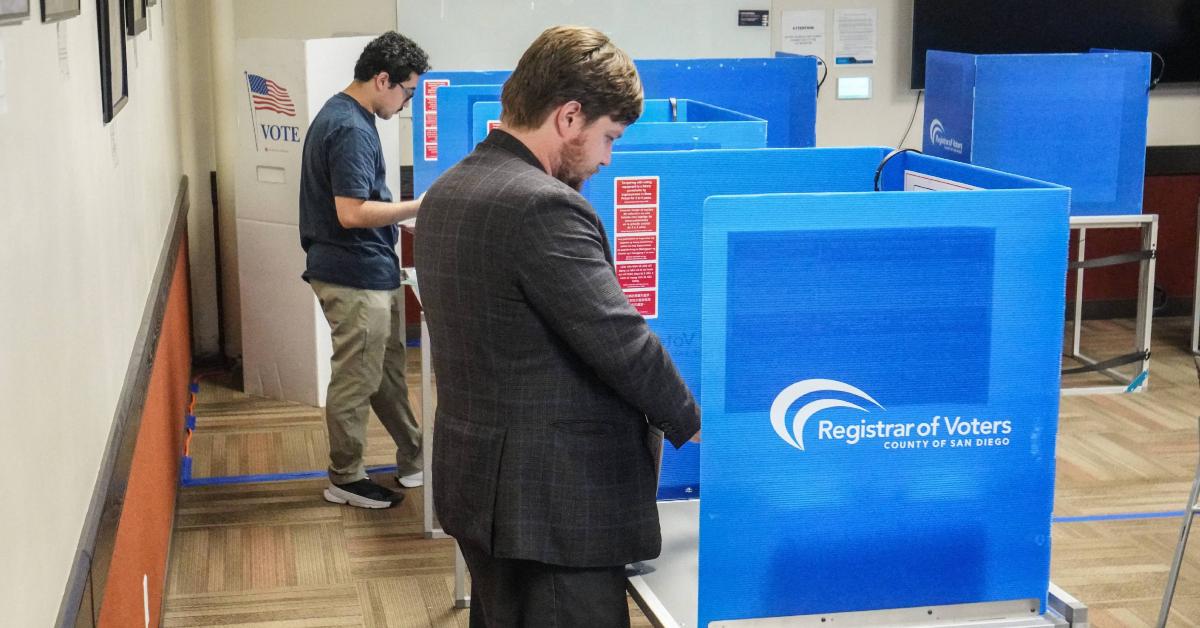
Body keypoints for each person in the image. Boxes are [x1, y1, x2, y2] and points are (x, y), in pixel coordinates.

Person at [415, 25, 701, 626]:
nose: (606, 159)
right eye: (607, 137)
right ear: (569, 116)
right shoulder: (542, 206)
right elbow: (622, 344)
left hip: (485, 490)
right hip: (553, 512)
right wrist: (699, 426)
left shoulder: (447, 193)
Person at [299, 31, 430, 509]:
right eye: (407, 91)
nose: (408, 101)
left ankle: (415, 459)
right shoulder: (351, 128)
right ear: (382, 79)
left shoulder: (349, 116)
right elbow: (351, 213)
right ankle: (346, 477)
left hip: (372, 269)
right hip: (351, 274)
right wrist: (417, 206)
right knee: (357, 377)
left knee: (387, 374)